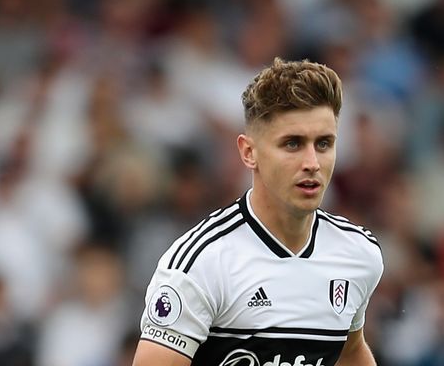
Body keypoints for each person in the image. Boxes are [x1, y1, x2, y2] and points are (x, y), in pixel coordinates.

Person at [132, 58, 384, 366]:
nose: (312, 163)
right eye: (292, 144)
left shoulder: (358, 254)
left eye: (323, 144)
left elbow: (350, 351)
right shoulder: (200, 265)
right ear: (249, 152)